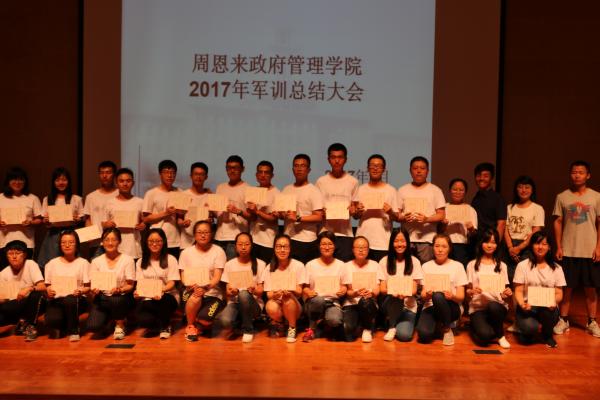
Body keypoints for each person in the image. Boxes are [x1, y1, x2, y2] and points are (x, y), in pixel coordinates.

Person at [552, 160, 600, 338]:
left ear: (588, 175)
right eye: (574, 172)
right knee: (567, 288)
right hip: (568, 250)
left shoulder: (596, 197)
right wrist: (559, 246)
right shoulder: (562, 196)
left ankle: (592, 322)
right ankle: (563, 319)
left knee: (590, 288)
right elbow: (557, 222)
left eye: (581, 172)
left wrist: (598, 247)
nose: (577, 175)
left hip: (589, 251)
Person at [514, 231, 566, 348]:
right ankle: (527, 330)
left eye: (544, 244)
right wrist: (522, 304)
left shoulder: (557, 268)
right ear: (532, 245)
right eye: (537, 243)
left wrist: (554, 302)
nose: (540, 247)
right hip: (527, 307)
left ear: (549, 247)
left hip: (547, 308)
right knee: (529, 329)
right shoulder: (522, 265)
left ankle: (547, 335)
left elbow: (559, 293)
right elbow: (518, 290)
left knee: (549, 314)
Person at [416, 233, 467, 345]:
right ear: (433, 247)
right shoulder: (426, 266)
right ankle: (440, 324)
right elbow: (423, 295)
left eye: (444, 246)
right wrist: (427, 295)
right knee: (424, 335)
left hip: (451, 306)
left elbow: (461, 297)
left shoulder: (458, 266)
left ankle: (447, 329)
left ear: (449, 248)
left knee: (438, 296)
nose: (440, 250)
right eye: (437, 246)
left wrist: (452, 296)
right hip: (431, 306)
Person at [179, 221, 226, 342]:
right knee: (195, 297)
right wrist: (190, 285)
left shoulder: (218, 251)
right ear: (194, 235)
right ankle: (190, 326)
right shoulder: (186, 253)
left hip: (212, 293)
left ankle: (198, 321)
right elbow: (183, 276)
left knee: (205, 320)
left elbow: (217, 277)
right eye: (199, 232)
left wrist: (205, 288)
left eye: (206, 232)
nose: (203, 235)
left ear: (211, 234)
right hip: (191, 290)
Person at [466, 229, 512, 349]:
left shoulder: (502, 266)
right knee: (485, 336)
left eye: (493, 242)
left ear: (497, 245)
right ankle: (478, 327)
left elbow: (503, 294)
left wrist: (506, 293)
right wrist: (471, 291)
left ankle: (500, 336)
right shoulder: (471, 265)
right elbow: (467, 291)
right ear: (481, 243)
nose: (490, 245)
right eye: (486, 242)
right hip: (478, 307)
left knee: (493, 306)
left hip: (497, 307)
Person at [87, 228, 135, 340]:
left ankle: (120, 324)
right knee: (93, 326)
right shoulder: (96, 261)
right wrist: (94, 290)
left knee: (116, 300)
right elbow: (93, 284)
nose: (110, 243)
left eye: (114, 240)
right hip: (102, 298)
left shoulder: (127, 260)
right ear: (102, 242)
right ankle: (109, 318)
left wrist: (120, 289)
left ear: (119, 241)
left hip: (122, 298)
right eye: (106, 240)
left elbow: (130, 285)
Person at [218, 232, 266, 343]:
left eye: (247, 244)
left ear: (251, 245)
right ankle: (239, 322)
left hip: (254, 304)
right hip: (235, 303)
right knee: (225, 321)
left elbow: (260, 292)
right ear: (235, 246)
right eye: (240, 244)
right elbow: (227, 292)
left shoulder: (260, 264)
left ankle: (248, 330)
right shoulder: (229, 264)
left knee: (244, 294)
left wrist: (254, 290)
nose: (243, 247)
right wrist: (232, 292)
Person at [302, 231, 349, 342]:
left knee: (335, 320)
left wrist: (343, 290)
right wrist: (308, 292)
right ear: (319, 246)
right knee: (318, 301)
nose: (327, 247)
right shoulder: (310, 265)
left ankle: (323, 324)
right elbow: (305, 287)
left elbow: (344, 286)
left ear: (334, 246)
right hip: (314, 302)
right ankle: (312, 328)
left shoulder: (341, 265)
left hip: (332, 302)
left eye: (330, 244)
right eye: (323, 244)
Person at [44, 230, 91, 341]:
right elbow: (47, 286)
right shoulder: (51, 264)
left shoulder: (83, 263)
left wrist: (80, 291)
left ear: (77, 244)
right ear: (60, 245)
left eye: (71, 242)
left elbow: (88, 287)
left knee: (70, 300)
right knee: (51, 321)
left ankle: (74, 330)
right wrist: (49, 291)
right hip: (57, 300)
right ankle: (64, 323)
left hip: (76, 299)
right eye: (63, 242)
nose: (67, 245)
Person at [134, 228, 180, 339]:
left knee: (162, 300)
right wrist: (138, 292)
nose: (154, 244)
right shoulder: (140, 261)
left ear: (163, 242)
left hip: (168, 296)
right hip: (148, 298)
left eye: (158, 241)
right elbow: (140, 283)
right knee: (143, 320)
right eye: (151, 241)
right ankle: (158, 323)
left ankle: (165, 326)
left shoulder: (171, 259)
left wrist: (161, 290)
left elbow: (172, 282)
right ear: (146, 242)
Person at [397, 156, 446, 263]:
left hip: (427, 239)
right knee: (407, 269)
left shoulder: (435, 190)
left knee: (426, 269)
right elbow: (397, 215)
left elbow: (441, 215)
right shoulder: (402, 190)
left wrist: (426, 219)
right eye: (415, 168)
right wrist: (404, 217)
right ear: (410, 171)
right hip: (406, 240)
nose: (419, 171)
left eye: (422, 168)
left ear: (427, 171)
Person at [379, 228, 423, 342]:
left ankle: (395, 323)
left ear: (407, 243)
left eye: (403, 241)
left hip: (408, 307)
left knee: (404, 336)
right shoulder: (384, 261)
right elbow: (382, 289)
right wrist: (393, 292)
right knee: (395, 298)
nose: (399, 244)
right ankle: (391, 326)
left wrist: (404, 294)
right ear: (391, 243)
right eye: (396, 241)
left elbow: (414, 290)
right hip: (389, 303)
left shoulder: (415, 262)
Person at [316, 143, 359, 262]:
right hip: (325, 233)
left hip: (346, 234)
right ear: (328, 159)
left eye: (340, 157)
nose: (337, 161)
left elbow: (356, 213)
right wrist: (321, 212)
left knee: (344, 269)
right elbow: (317, 209)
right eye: (333, 157)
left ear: (345, 159)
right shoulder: (321, 182)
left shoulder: (353, 181)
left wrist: (354, 211)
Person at [279, 154, 324, 265]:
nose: (299, 169)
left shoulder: (314, 191)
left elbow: (319, 217)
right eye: (296, 165)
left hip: (307, 240)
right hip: (288, 238)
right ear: (292, 169)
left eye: (303, 166)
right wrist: (281, 214)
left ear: (308, 170)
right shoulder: (286, 189)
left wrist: (298, 218)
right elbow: (282, 214)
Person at [37, 167, 84, 271]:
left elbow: (82, 217)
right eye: (58, 180)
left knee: (72, 264)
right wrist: (45, 220)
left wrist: (78, 219)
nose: (61, 183)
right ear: (53, 182)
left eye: (64, 180)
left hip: (70, 234)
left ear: (68, 181)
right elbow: (44, 221)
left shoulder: (76, 199)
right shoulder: (47, 199)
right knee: (52, 264)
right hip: (53, 235)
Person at [354, 154, 399, 262]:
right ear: (367, 168)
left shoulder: (391, 190)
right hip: (363, 240)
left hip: (383, 241)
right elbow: (355, 216)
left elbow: (397, 217)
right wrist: (358, 211)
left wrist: (390, 212)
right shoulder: (360, 189)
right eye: (372, 165)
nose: (375, 168)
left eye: (378, 166)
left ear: (384, 169)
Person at [263, 234, 306, 343]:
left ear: (290, 249)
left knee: (288, 298)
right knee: (270, 306)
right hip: (277, 302)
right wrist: (275, 295)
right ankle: (282, 323)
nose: (282, 250)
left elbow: (300, 291)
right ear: (274, 248)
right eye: (278, 247)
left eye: (285, 247)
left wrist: (291, 290)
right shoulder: (269, 267)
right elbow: (268, 294)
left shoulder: (298, 265)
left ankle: (292, 327)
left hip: (294, 304)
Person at [0, 240, 45, 341]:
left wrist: (29, 288)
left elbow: (43, 286)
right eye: (10, 253)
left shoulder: (30, 264)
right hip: (14, 305)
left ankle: (31, 327)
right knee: (4, 308)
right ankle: (21, 321)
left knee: (36, 294)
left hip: (32, 303)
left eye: (18, 253)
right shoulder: (3, 274)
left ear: (24, 255)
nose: (14, 256)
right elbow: (4, 299)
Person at [342, 236, 382, 342]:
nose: (361, 250)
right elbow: (347, 291)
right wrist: (355, 293)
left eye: (364, 248)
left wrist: (372, 293)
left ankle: (367, 328)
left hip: (368, 302)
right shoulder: (346, 266)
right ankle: (360, 323)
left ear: (368, 250)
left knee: (365, 301)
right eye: (358, 247)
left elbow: (377, 288)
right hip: (351, 303)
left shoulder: (375, 265)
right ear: (353, 249)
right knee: (348, 334)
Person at [142, 160, 183, 259]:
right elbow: (146, 219)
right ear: (160, 174)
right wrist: (166, 213)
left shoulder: (180, 192)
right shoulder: (151, 193)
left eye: (173, 173)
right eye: (166, 172)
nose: (170, 175)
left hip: (175, 240)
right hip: (155, 239)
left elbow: (181, 217)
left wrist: (183, 221)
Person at [0, 167, 43, 260]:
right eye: (14, 179)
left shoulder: (32, 198)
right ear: (8, 181)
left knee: (27, 268)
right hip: (4, 242)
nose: (17, 182)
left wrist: (31, 223)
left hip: (27, 242)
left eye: (20, 179)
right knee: (5, 269)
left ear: (25, 181)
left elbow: (40, 220)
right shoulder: (1, 198)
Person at [102, 168, 145, 259]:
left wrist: (143, 225)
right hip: (114, 250)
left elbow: (144, 222)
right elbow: (103, 223)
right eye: (121, 181)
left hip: (134, 249)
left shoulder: (140, 202)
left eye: (128, 181)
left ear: (133, 183)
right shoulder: (109, 203)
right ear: (116, 183)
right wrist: (107, 224)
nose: (125, 184)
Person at [214, 155, 250, 260]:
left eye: (235, 168)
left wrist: (239, 211)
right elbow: (217, 213)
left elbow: (252, 217)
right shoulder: (220, 187)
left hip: (237, 238)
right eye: (229, 168)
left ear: (242, 169)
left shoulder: (248, 188)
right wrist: (211, 210)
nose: (232, 171)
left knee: (233, 269)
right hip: (219, 236)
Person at [439, 178, 478, 267]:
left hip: (463, 247)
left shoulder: (470, 209)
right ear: (450, 191)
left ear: (465, 192)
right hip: (445, 245)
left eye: (461, 190)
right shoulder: (443, 208)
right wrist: (443, 225)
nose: (458, 192)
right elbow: (439, 231)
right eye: (455, 189)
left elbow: (474, 234)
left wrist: (471, 228)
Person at [83, 161, 118, 257]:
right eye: (102, 173)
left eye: (108, 172)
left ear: (114, 175)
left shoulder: (120, 195)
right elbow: (88, 219)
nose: (104, 176)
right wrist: (88, 236)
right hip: (97, 243)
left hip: (117, 242)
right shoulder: (91, 197)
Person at [247, 161, 280, 264]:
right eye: (260, 172)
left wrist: (257, 211)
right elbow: (251, 217)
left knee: (266, 270)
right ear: (256, 175)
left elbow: (273, 219)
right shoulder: (253, 191)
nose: (263, 175)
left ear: (272, 175)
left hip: (268, 241)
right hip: (253, 239)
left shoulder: (276, 193)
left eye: (266, 172)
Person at [178, 162, 212, 250]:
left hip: (205, 242)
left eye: (202, 174)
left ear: (206, 177)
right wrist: (183, 223)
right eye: (196, 174)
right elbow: (179, 219)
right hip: (186, 242)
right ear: (191, 176)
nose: (198, 177)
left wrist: (210, 221)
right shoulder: (183, 195)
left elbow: (213, 217)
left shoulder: (210, 196)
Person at [471, 162, 507, 242]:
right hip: (477, 242)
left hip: (490, 242)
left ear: (492, 179)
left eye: (485, 176)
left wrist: (495, 243)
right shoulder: (475, 198)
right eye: (478, 175)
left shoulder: (498, 198)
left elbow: (501, 224)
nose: (481, 178)